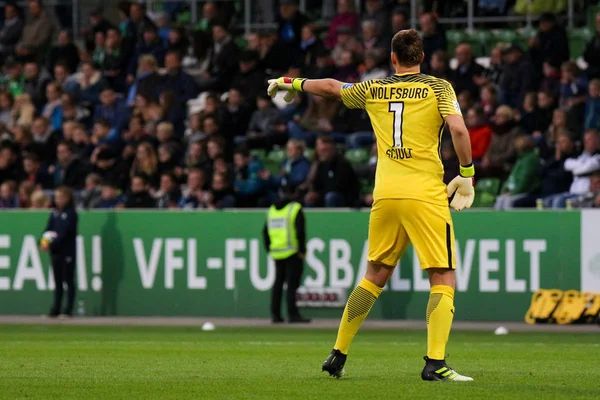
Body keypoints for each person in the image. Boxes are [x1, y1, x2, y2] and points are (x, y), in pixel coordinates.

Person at [267, 29, 474, 381]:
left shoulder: (374, 89)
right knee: (442, 274)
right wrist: (466, 174)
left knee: (374, 276)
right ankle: (435, 363)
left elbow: (332, 87)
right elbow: (458, 130)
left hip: (385, 195)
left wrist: (292, 82)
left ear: (392, 58)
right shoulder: (439, 87)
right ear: (421, 57)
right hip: (424, 194)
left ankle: (338, 353)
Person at [262, 186, 310, 323]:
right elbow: (300, 231)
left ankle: (275, 314)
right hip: (292, 251)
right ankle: (293, 314)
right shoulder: (294, 209)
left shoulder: (271, 211)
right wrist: (302, 250)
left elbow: (265, 233)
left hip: (277, 252)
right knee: (291, 284)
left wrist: (270, 249)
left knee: (278, 283)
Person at [39, 186, 78, 317]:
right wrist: (44, 242)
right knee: (57, 281)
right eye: (56, 198)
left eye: (61, 198)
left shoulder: (71, 214)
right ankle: (56, 308)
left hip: (67, 251)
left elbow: (65, 233)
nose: (58, 200)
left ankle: (68, 309)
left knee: (68, 279)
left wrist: (52, 243)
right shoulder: (54, 214)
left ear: (67, 199)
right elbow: (48, 229)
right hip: (55, 251)